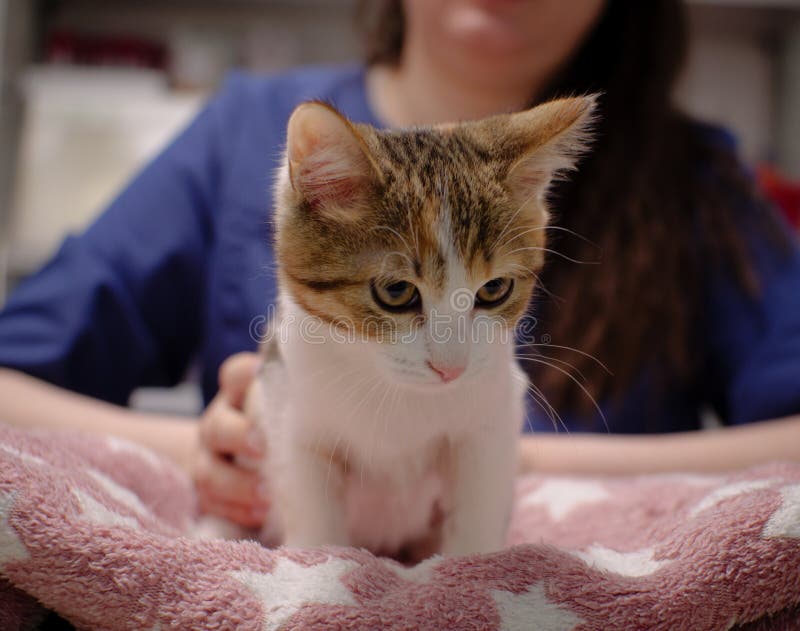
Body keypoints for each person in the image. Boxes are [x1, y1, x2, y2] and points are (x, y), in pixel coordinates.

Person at [0, 0, 799, 530]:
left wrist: (499, 451)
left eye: (493, 289)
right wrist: (223, 451)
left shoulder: (698, 184)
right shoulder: (246, 131)